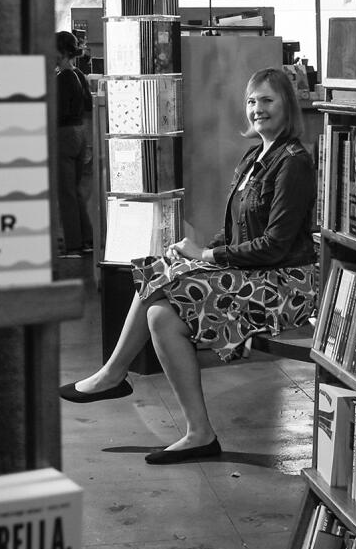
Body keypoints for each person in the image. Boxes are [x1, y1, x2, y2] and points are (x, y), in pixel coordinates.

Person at [59, 67, 318, 463]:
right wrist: (198, 250)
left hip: (286, 284)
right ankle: (196, 431)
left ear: (287, 105)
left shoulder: (293, 162)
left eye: (267, 100)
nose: (257, 109)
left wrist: (207, 257)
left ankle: (114, 376)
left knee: (166, 293)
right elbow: (234, 232)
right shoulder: (254, 157)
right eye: (251, 101)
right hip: (255, 272)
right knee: (160, 292)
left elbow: (275, 246)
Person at [53, 31, 95, 255]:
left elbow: (56, 113)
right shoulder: (79, 75)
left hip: (64, 135)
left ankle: (72, 243)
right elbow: (88, 106)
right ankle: (86, 238)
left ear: (60, 51)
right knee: (76, 191)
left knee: (66, 192)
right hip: (80, 134)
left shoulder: (61, 79)